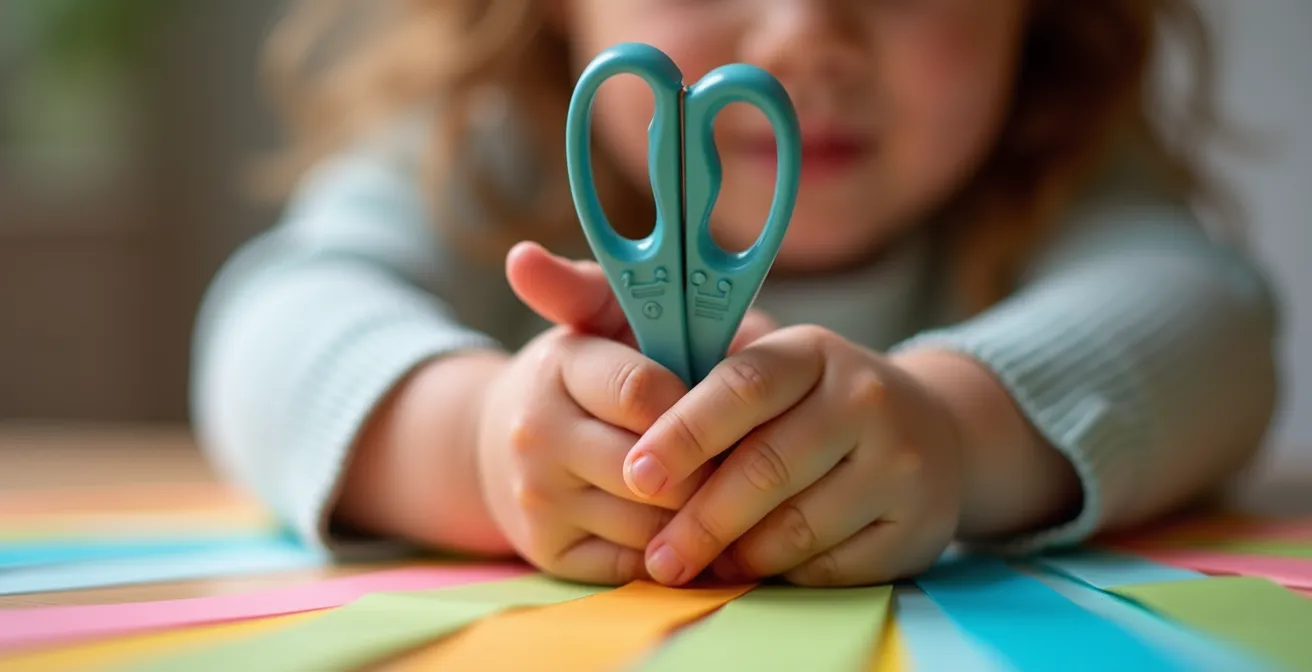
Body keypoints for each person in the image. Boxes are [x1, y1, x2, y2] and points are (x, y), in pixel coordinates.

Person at [191, 0, 1281, 588]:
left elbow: (1212, 325)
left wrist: (953, 433)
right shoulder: (482, 149)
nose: (805, 32)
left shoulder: (1060, 164)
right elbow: (273, 324)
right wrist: (474, 440)